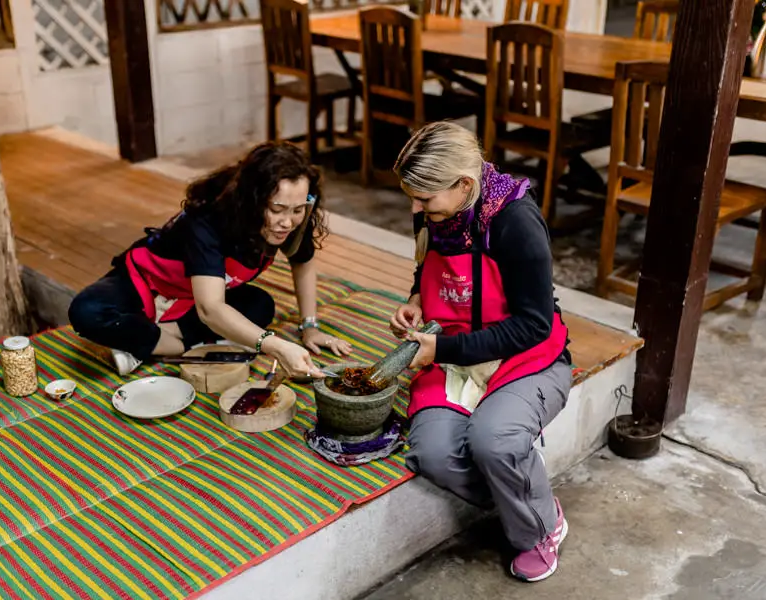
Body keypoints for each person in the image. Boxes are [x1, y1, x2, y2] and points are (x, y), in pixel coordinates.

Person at [388, 122, 572, 582]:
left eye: (424, 198)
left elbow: (533, 325)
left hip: (524, 355)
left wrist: (440, 347)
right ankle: (527, 494)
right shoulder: (435, 212)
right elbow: (424, 265)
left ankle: (538, 527)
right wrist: (414, 301)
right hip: (453, 353)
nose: (415, 207)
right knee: (431, 454)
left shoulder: (515, 221)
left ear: (465, 186)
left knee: (493, 441)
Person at [69, 142, 352, 378]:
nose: (287, 222)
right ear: (252, 199)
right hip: (148, 281)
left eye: (298, 210)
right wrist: (275, 346)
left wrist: (310, 327)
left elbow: (302, 261)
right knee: (88, 311)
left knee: (260, 306)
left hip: (196, 297)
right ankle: (172, 344)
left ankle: (140, 343)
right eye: (276, 209)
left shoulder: (292, 218)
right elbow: (210, 309)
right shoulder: (207, 220)